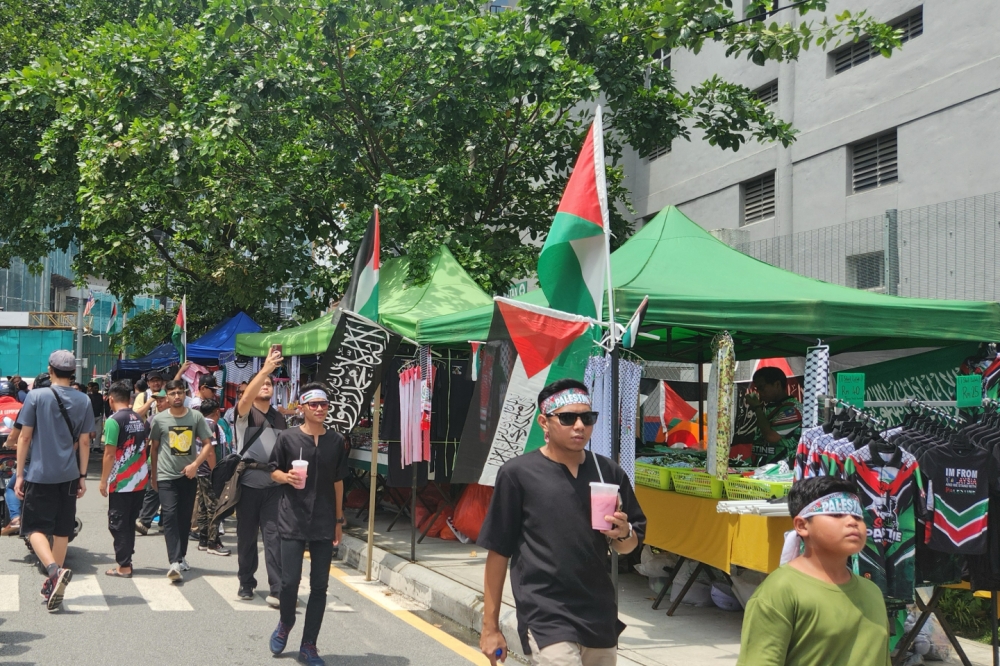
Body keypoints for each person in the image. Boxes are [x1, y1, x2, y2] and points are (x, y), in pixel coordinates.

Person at [478, 379, 646, 666]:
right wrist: (490, 627)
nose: (579, 426)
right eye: (568, 418)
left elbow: (629, 546)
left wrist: (623, 532)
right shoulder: (518, 474)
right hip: (545, 611)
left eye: (587, 418)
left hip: (598, 611)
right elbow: (498, 551)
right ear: (545, 421)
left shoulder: (607, 472)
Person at [736, 476, 890, 666]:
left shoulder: (872, 591)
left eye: (858, 516)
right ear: (802, 525)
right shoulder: (780, 591)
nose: (852, 522)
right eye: (836, 514)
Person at [267, 383, 348, 666]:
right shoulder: (288, 438)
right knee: (289, 583)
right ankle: (286, 621)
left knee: (320, 586)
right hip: (292, 517)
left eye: (323, 404)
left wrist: (339, 520)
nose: (319, 409)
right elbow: (272, 469)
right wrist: (285, 477)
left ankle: (309, 644)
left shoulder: (336, 441)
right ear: (301, 408)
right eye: (313, 404)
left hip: (325, 520)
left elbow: (338, 482)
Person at [14, 350, 94, 612]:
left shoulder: (36, 396)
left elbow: (24, 438)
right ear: (73, 373)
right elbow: (84, 441)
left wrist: (20, 474)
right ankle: (53, 582)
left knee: (33, 527)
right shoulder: (84, 400)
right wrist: (82, 475)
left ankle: (52, 571)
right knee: (62, 528)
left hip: (39, 473)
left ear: (50, 370)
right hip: (69, 475)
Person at [148, 379, 216, 582]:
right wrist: (153, 475)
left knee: (184, 518)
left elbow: (207, 444)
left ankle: (182, 556)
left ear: (185, 394)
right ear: (166, 397)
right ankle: (174, 561)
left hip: (188, 475)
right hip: (166, 475)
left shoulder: (195, 417)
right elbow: (153, 448)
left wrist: (195, 465)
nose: (176, 396)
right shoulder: (159, 420)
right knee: (169, 515)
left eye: (180, 392)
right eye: (172, 393)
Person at [234, 348, 287, 605]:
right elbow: (244, 401)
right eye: (261, 383)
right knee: (246, 537)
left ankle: (277, 587)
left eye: (269, 383)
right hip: (247, 486)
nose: (266, 386)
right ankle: (246, 582)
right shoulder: (245, 414)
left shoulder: (279, 417)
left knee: (274, 537)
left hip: (274, 488)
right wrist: (266, 369)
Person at [99, 381, 150, 578]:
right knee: (129, 523)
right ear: (129, 398)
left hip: (121, 482)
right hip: (140, 479)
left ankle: (124, 566)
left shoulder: (113, 421)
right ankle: (126, 559)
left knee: (118, 523)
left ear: (111, 399)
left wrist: (103, 481)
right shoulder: (138, 417)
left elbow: (109, 454)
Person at [746, 367, 803, 467]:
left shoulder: (792, 410)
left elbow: (771, 437)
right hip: (763, 470)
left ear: (777, 385)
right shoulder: (770, 407)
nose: (759, 392)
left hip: (781, 472)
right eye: (757, 388)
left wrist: (757, 407)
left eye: (762, 387)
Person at [194, 399, 230, 555]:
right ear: (217, 412)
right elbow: (210, 452)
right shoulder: (211, 425)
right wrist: (215, 471)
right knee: (214, 507)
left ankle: (203, 539)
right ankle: (213, 542)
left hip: (199, 471)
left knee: (203, 506)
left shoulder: (199, 423)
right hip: (208, 472)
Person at [136, 389, 170, 535]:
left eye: (161, 400)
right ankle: (144, 520)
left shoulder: (180, 417)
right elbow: (145, 441)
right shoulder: (152, 419)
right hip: (154, 459)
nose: (158, 403)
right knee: (154, 489)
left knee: (168, 491)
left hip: (172, 460)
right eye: (157, 400)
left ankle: (163, 522)